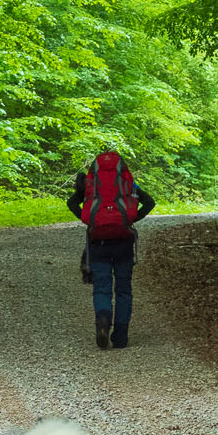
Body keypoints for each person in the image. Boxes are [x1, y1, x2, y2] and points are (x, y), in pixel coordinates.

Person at [67, 149, 155, 349]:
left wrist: (88, 220)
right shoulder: (128, 185)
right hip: (123, 242)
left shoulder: (90, 186)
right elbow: (150, 202)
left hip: (98, 242)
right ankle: (121, 337)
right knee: (124, 290)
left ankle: (103, 319)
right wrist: (131, 220)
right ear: (121, 169)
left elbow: (71, 202)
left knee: (102, 288)